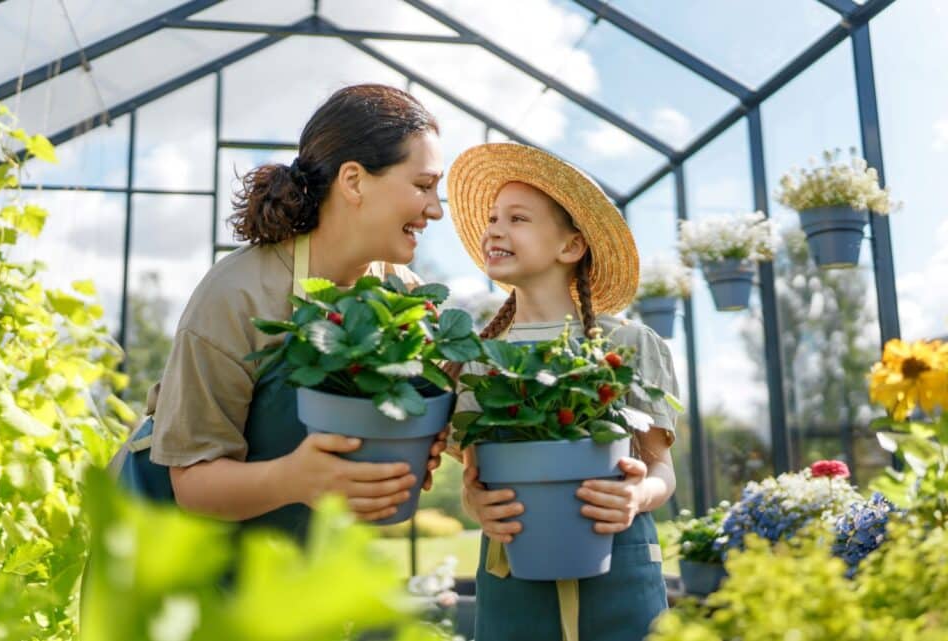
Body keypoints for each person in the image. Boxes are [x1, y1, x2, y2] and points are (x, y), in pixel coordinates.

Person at [112, 84, 449, 538]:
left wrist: (407, 450)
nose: (436, 210)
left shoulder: (402, 296)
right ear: (353, 181)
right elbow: (192, 483)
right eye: (423, 186)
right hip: (160, 540)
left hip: (280, 546)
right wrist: (296, 479)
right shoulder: (238, 293)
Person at [445, 143, 679, 641]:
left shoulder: (629, 344)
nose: (494, 229)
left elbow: (661, 469)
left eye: (518, 218)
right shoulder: (479, 355)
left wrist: (637, 494)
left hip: (619, 565)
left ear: (570, 246)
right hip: (512, 571)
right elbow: (474, 477)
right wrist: (474, 504)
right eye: (491, 218)